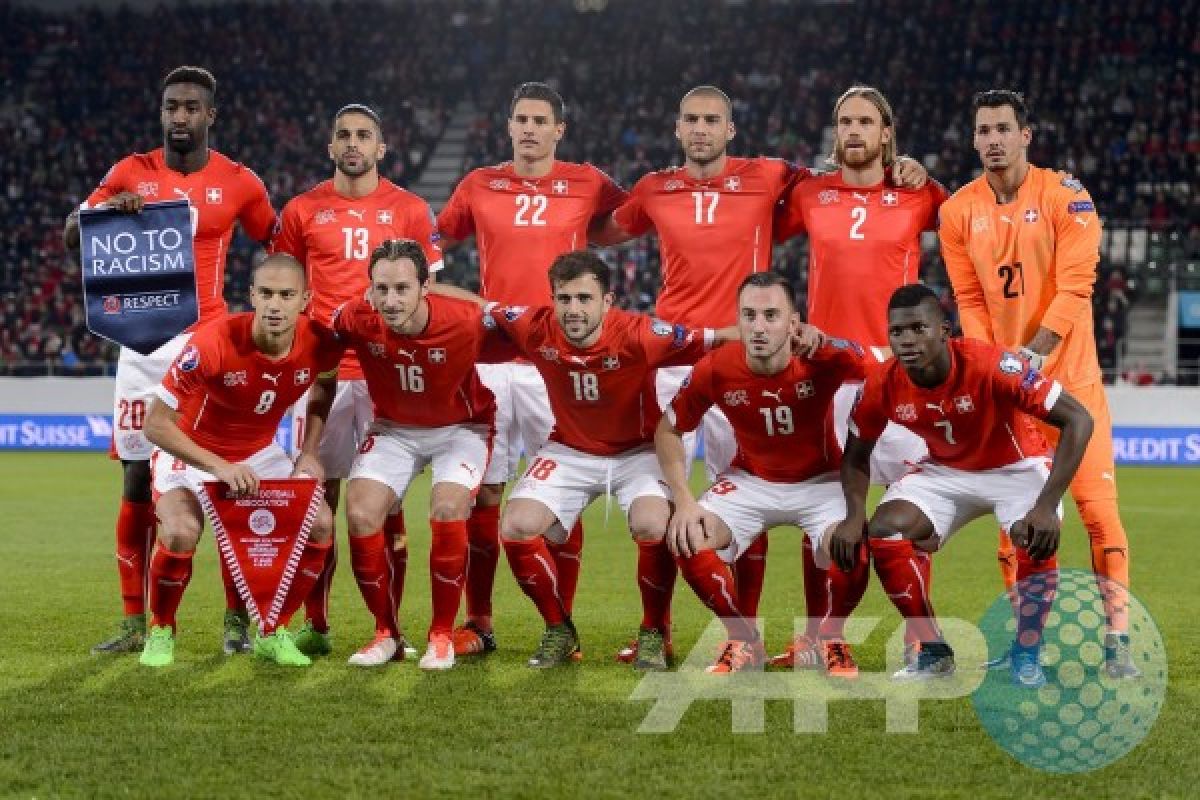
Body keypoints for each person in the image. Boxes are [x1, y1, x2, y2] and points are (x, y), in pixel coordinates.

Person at [593, 84, 929, 661]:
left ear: (730, 129)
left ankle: (836, 637)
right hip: (678, 363)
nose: (700, 128)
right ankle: (667, 631)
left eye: (712, 119)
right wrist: (577, 189)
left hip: (765, 361)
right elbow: (601, 229)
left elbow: (853, 181)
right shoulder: (655, 188)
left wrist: (907, 166)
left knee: (870, 504)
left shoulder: (775, 178)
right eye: (691, 119)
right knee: (673, 503)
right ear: (677, 128)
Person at [434, 251, 747, 669]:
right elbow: (477, 304)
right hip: (569, 449)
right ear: (552, 299)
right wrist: (425, 288)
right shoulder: (533, 325)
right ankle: (559, 629)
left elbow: (713, 339)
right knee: (517, 525)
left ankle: (654, 632)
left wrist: (780, 332)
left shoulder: (642, 334)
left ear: (607, 300)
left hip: (637, 451)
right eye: (564, 299)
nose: (573, 309)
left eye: (584, 298)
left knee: (652, 523)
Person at [64, 66, 278, 656]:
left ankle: (238, 618)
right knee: (135, 480)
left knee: (226, 478)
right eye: (169, 107)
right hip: (139, 347)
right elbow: (69, 235)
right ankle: (137, 622)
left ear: (211, 115)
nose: (178, 117)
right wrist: (108, 214)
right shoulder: (129, 172)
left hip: (207, 344)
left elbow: (277, 246)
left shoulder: (240, 182)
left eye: (190, 107)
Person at [938, 89, 1139, 678]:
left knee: (1100, 517)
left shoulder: (1066, 195)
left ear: (1027, 135)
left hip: (1072, 384)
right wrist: (996, 365)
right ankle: (1027, 648)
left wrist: (1031, 355)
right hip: (1010, 392)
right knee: (1016, 525)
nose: (993, 139)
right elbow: (969, 299)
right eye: (983, 130)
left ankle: (1118, 644)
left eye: (1004, 128)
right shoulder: (957, 212)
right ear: (974, 140)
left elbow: (1078, 288)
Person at [437, 82, 627, 656]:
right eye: (520, 118)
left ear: (559, 129)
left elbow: (629, 222)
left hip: (558, 363)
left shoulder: (589, 182)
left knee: (562, 494)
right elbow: (431, 239)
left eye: (540, 120)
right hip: (494, 360)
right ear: (509, 124)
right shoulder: (479, 183)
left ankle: (561, 628)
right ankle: (481, 622)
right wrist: (467, 302)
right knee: (484, 492)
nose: (529, 129)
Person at [829, 285, 1093, 687]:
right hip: (944, 471)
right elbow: (855, 452)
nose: (907, 340)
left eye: (919, 328)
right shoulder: (883, 381)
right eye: (898, 331)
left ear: (944, 330)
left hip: (1016, 468)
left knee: (1034, 534)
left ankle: (1026, 654)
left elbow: (1078, 419)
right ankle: (933, 652)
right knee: (885, 529)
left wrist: (1047, 504)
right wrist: (852, 516)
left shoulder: (992, 365)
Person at [769, 85, 949, 671]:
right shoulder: (810, 194)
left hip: (897, 374)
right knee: (822, 511)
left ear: (886, 133)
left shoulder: (917, 194)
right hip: (823, 374)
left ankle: (925, 637)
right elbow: (750, 230)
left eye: (865, 121)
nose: (853, 130)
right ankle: (822, 636)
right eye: (844, 120)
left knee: (911, 508)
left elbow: (971, 222)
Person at [274, 103, 443, 658]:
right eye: (343, 134)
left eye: (363, 135)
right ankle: (315, 625)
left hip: (383, 378)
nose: (353, 143)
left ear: (381, 147)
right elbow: (286, 290)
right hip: (321, 379)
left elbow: (430, 297)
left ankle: (389, 629)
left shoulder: (411, 210)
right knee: (315, 503)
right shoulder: (301, 211)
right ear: (330, 147)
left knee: (385, 504)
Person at [656, 273, 868, 674]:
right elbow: (669, 429)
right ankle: (742, 639)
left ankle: (830, 638)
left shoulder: (820, 359)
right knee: (686, 535)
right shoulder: (716, 368)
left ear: (794, 322)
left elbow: (867, 361)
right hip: (751, 480)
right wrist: (683, 499)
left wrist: (828, 343)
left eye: (771, 315)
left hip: (820, 481)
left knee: (851, 545)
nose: (758, 326)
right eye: (748, 315)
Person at [138, 254, 342, 668]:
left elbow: (325, 387)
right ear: (251, 295)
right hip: (192, 451)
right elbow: (155, 426)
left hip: (259, 452)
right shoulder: (212, 343)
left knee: (321, 524)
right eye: (265, 293)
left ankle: (272, 629)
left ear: (305, 300)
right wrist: (218, 466)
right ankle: (160, 630)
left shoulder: (321, 342)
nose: (274, 304)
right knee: (181, 532)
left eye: (286, 295)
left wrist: (309, 451)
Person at [327, 239, 502, 670]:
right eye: (381, 289)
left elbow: (526, 326)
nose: (390, 300)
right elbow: (317, 348)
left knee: (446, 509)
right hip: (394, 430)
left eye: (402, 288)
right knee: (361, 514)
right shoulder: (355, 317)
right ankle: (386, 633)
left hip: (461, 428)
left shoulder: (466, 320)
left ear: (427, 287)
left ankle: (442, 634)